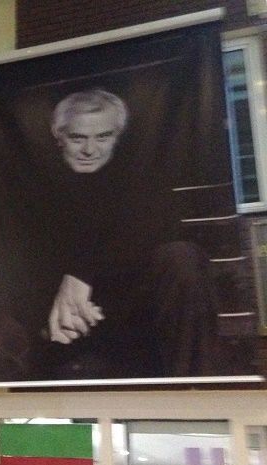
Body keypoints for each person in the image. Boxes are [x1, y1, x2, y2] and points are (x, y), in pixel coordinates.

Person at [36, 89, 224, 379]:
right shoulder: (37, 186)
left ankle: (196, 387)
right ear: (58, 136)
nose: (90, 150)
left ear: (117, 136)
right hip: (63, 324)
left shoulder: (141, 179)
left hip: (134, 317)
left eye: (103, 137)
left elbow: (158, 231)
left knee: (182, 257)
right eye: (78, 138)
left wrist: (80, 273)